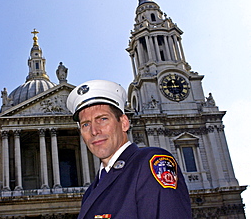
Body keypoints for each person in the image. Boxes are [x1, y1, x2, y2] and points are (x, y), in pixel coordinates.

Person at [66, 80, 192, 219]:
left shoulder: (150, 163)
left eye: (102, 119)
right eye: (85, 125)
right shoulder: (91, 191)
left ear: (124, 123)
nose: (94, 131)